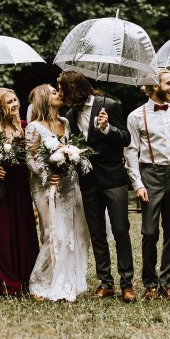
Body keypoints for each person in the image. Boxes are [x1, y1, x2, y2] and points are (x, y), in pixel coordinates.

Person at [58, 70, 136, 302]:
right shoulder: (69, 115)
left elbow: (126, 138)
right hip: (88, 182)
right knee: (97, 233)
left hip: (113, 179)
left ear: (73, 89)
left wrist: (106, 129)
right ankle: (106, 282)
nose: (60, 93)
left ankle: (127, 283)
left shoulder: (109, 105)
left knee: (121, 230)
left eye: (62, 88)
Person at [124, 70, 170, 300]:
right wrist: (138, 183)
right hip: (149, 174)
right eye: (168, 83)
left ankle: (167, 283)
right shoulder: (136, 116)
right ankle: (150, 282)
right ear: (154, 86)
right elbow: (131, 152)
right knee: (149, 231)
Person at [26, 84, 91, 302]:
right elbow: (30, 158)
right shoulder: (34, 127)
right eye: (54, 92)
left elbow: (70, 148)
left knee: (74, 234)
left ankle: (67, 280)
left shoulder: (65, 122)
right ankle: (39, 283)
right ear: (44, 98)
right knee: (53, 235)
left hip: (70, 185)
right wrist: (47, 174)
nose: (59, 94)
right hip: (46, 187)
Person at [0, 88, 40, 295]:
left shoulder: (24, 127)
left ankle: (25, 277)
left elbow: (31, 160)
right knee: (0, 232)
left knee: (20, 231)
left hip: (18, 186)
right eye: (9, 102)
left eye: (15, 100)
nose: (14, 105)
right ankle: (3, 279)